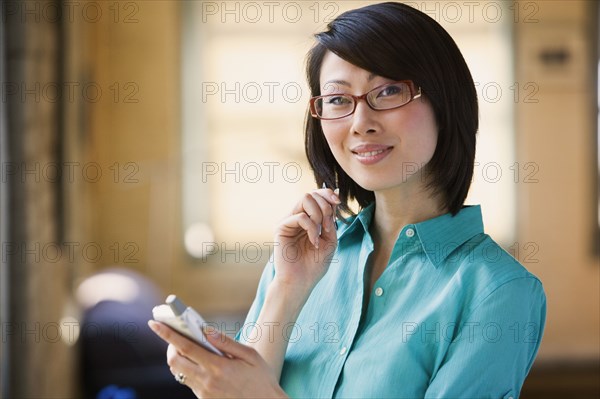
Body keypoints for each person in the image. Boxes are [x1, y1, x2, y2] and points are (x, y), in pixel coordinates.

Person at [148, 2, 547, 398]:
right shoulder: (300, 258)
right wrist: (288, 288)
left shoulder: (500, 292)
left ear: (445, 100)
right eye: (338, 100)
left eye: (389, 90)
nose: (361, 123)